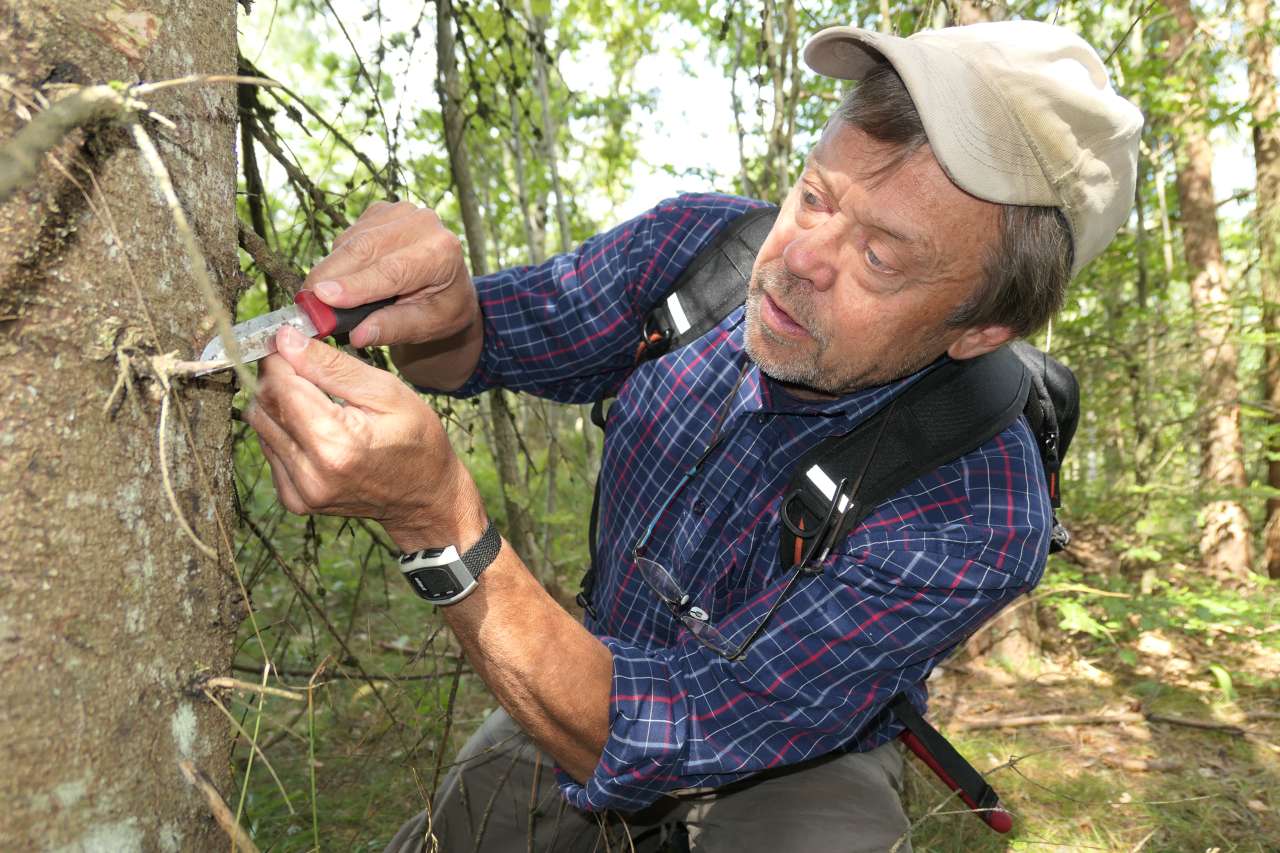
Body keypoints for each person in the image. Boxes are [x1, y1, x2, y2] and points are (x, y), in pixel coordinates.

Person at [246, 20, 1142, 853]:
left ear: (979, 326)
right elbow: (487, 343)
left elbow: (685, 721)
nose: (799, 256)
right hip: (591, 664)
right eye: (815, 194)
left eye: (880, 257)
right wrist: (438, 313)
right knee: (465, 829)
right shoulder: (700, 259)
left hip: (796, 755)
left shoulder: (978, 505)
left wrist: (438, 522)